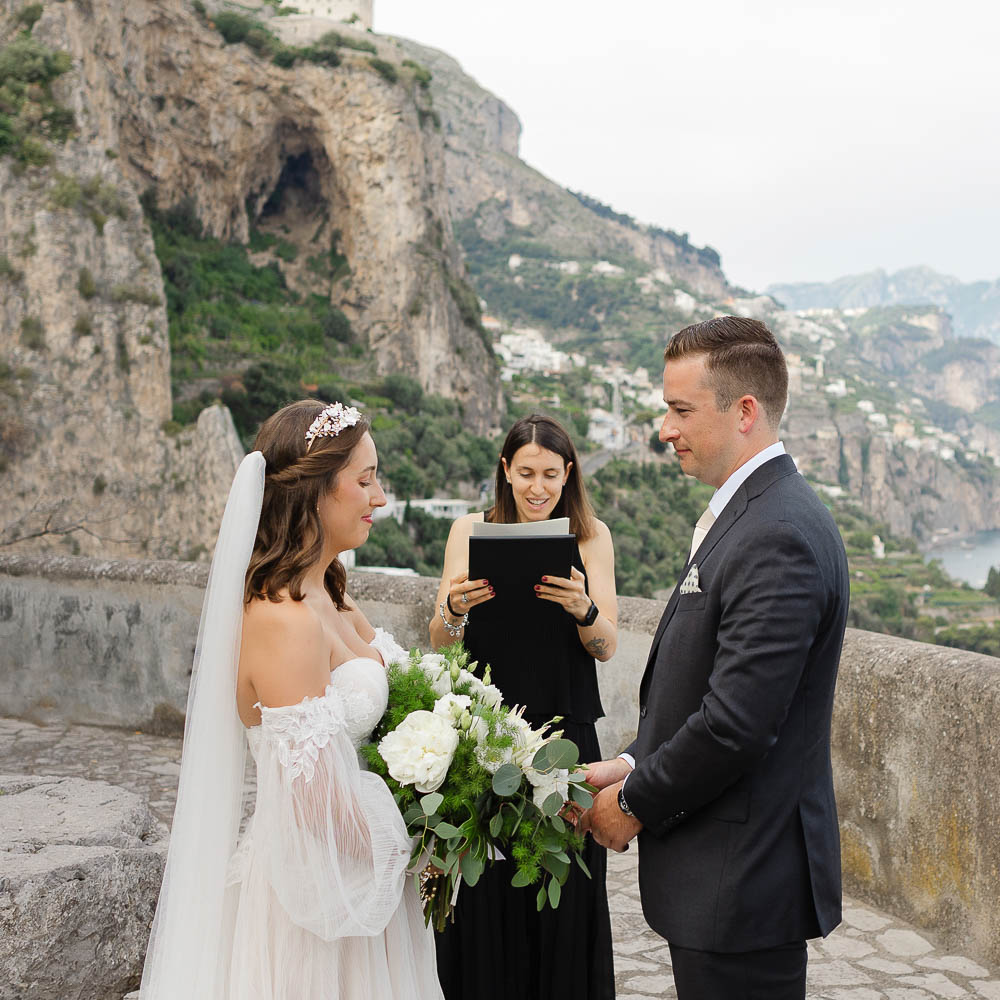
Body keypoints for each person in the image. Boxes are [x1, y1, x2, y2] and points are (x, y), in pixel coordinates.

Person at [140, 399, 444, 1000]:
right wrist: (424, 844)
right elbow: (315, 800)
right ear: (313, 492)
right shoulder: (283, 620)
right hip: (314, 895)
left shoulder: (330, 590)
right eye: (365, 480)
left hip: (360, 875)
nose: (381, 498)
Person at [585, 316, 850, 1000]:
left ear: (744, 412)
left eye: (680, 411)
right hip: (728, 880)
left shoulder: (778, 534)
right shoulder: (754, 513)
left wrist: (633, 802)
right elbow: (706, 687)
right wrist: (633, 761)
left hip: (744, 883)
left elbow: (736, 723)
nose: (664, 430)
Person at [428, 414, 618, 1000]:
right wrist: (454, 608)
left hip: (565, 735)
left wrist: (583, 608)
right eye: (527, 473)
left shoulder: (592, 536)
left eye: (551, 475)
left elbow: (606, 647)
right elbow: (440, 641)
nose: (538, 488)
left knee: (564, 894)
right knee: (485, 892)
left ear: (569, 474)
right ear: (506, 470)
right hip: (485, 737)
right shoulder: (468, 530)